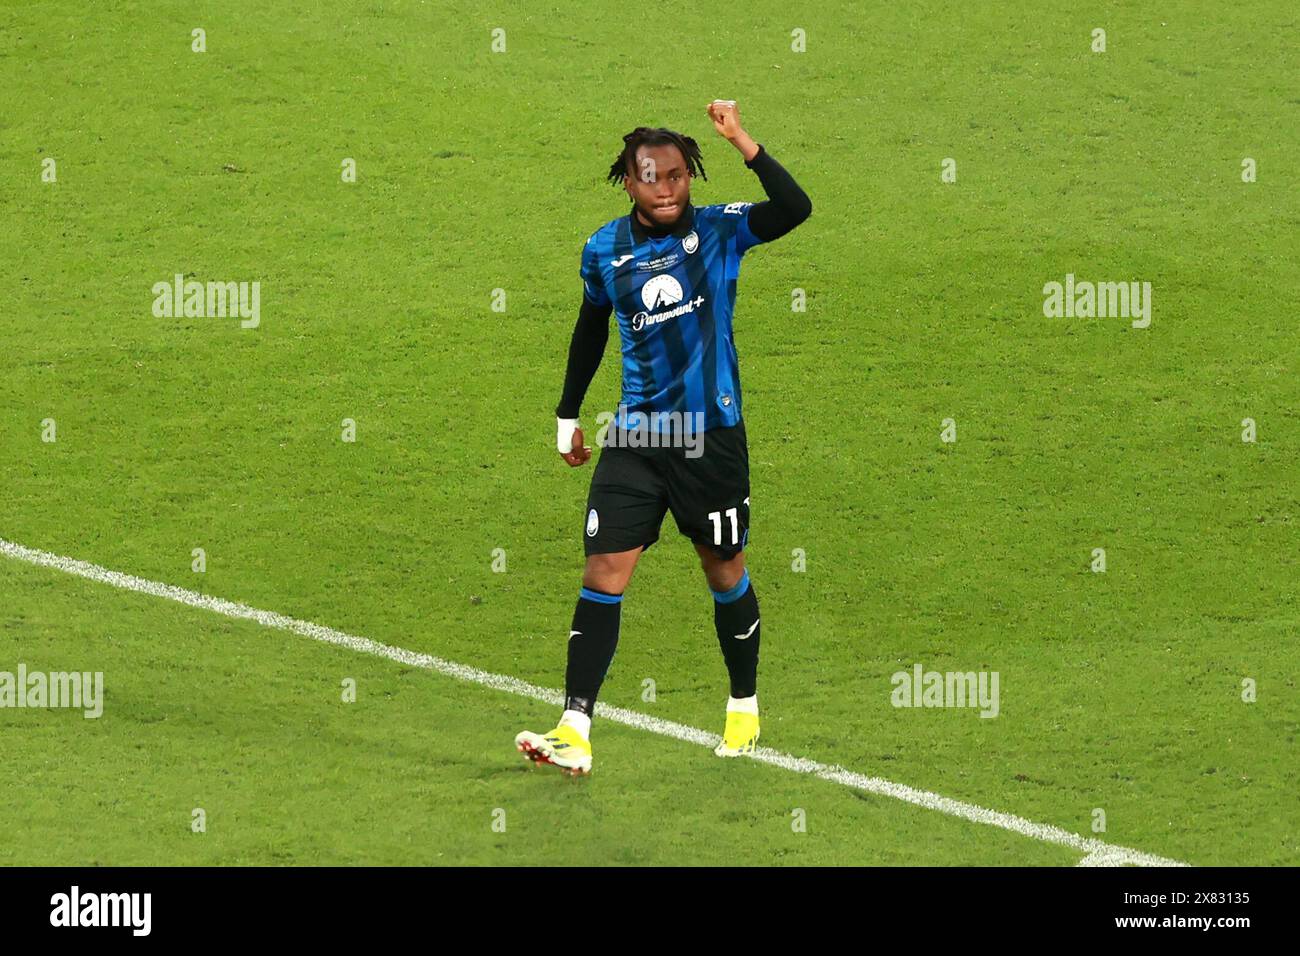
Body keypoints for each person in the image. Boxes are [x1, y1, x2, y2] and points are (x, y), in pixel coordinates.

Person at [515, 100, 812, 775]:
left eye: (678, 175)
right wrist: (568, 413)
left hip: (711, 440)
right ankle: (574, 727)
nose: (668, 188)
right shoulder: (603, 250)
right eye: (653, 176)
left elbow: (796, 208)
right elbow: (591, 326)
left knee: (723, 570)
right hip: (637, 438)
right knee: (603, 571)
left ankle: (743, 705)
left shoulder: (720, 232)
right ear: (629, 181)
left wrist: (742, 140)